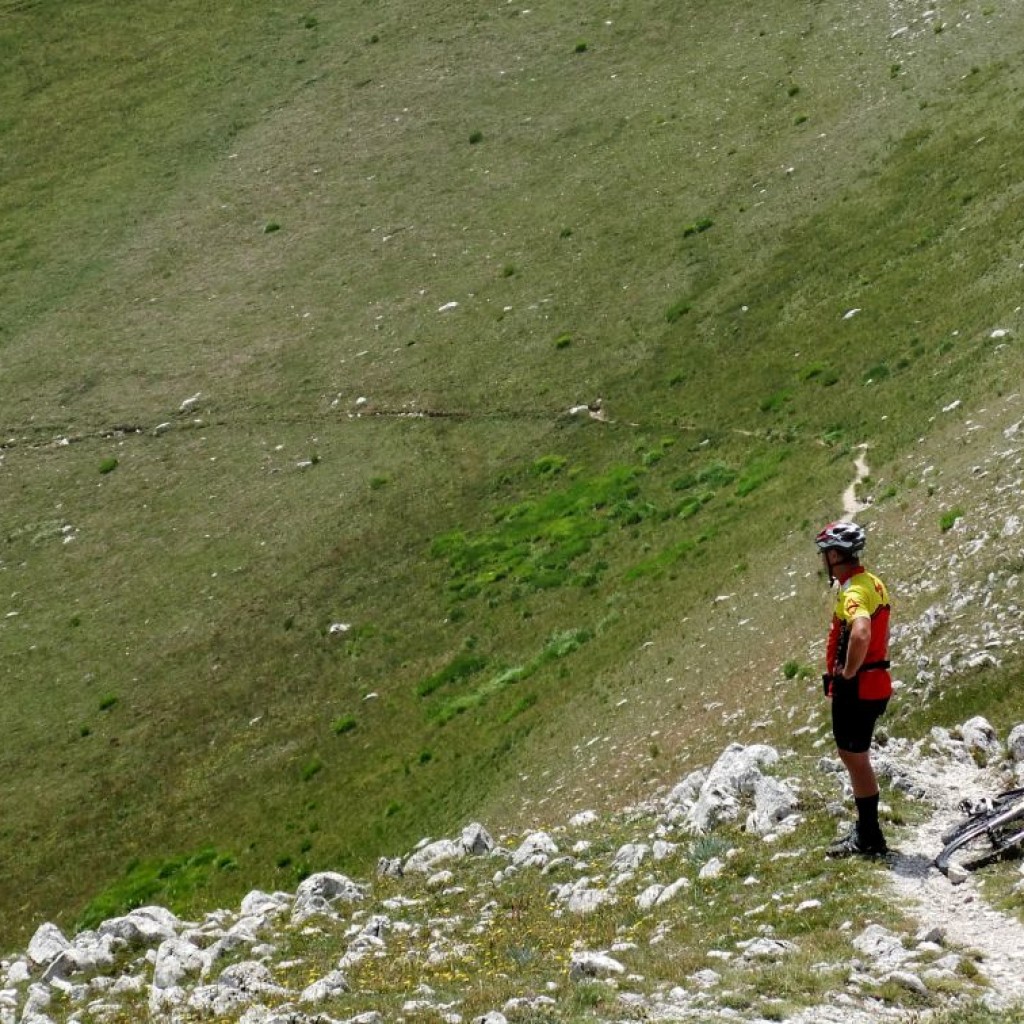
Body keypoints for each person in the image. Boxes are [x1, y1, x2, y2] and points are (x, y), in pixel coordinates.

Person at [815, 520, 892, 857]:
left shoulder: (852, 592)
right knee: (856, 757)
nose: (822, 562)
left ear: (834, 555)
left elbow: (861, 631)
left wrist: (847, 671)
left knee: (854, 758)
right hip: (874, 683)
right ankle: (867, 829)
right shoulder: (871, 582)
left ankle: (869, 836)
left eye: (824, 555)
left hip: (858, 688)